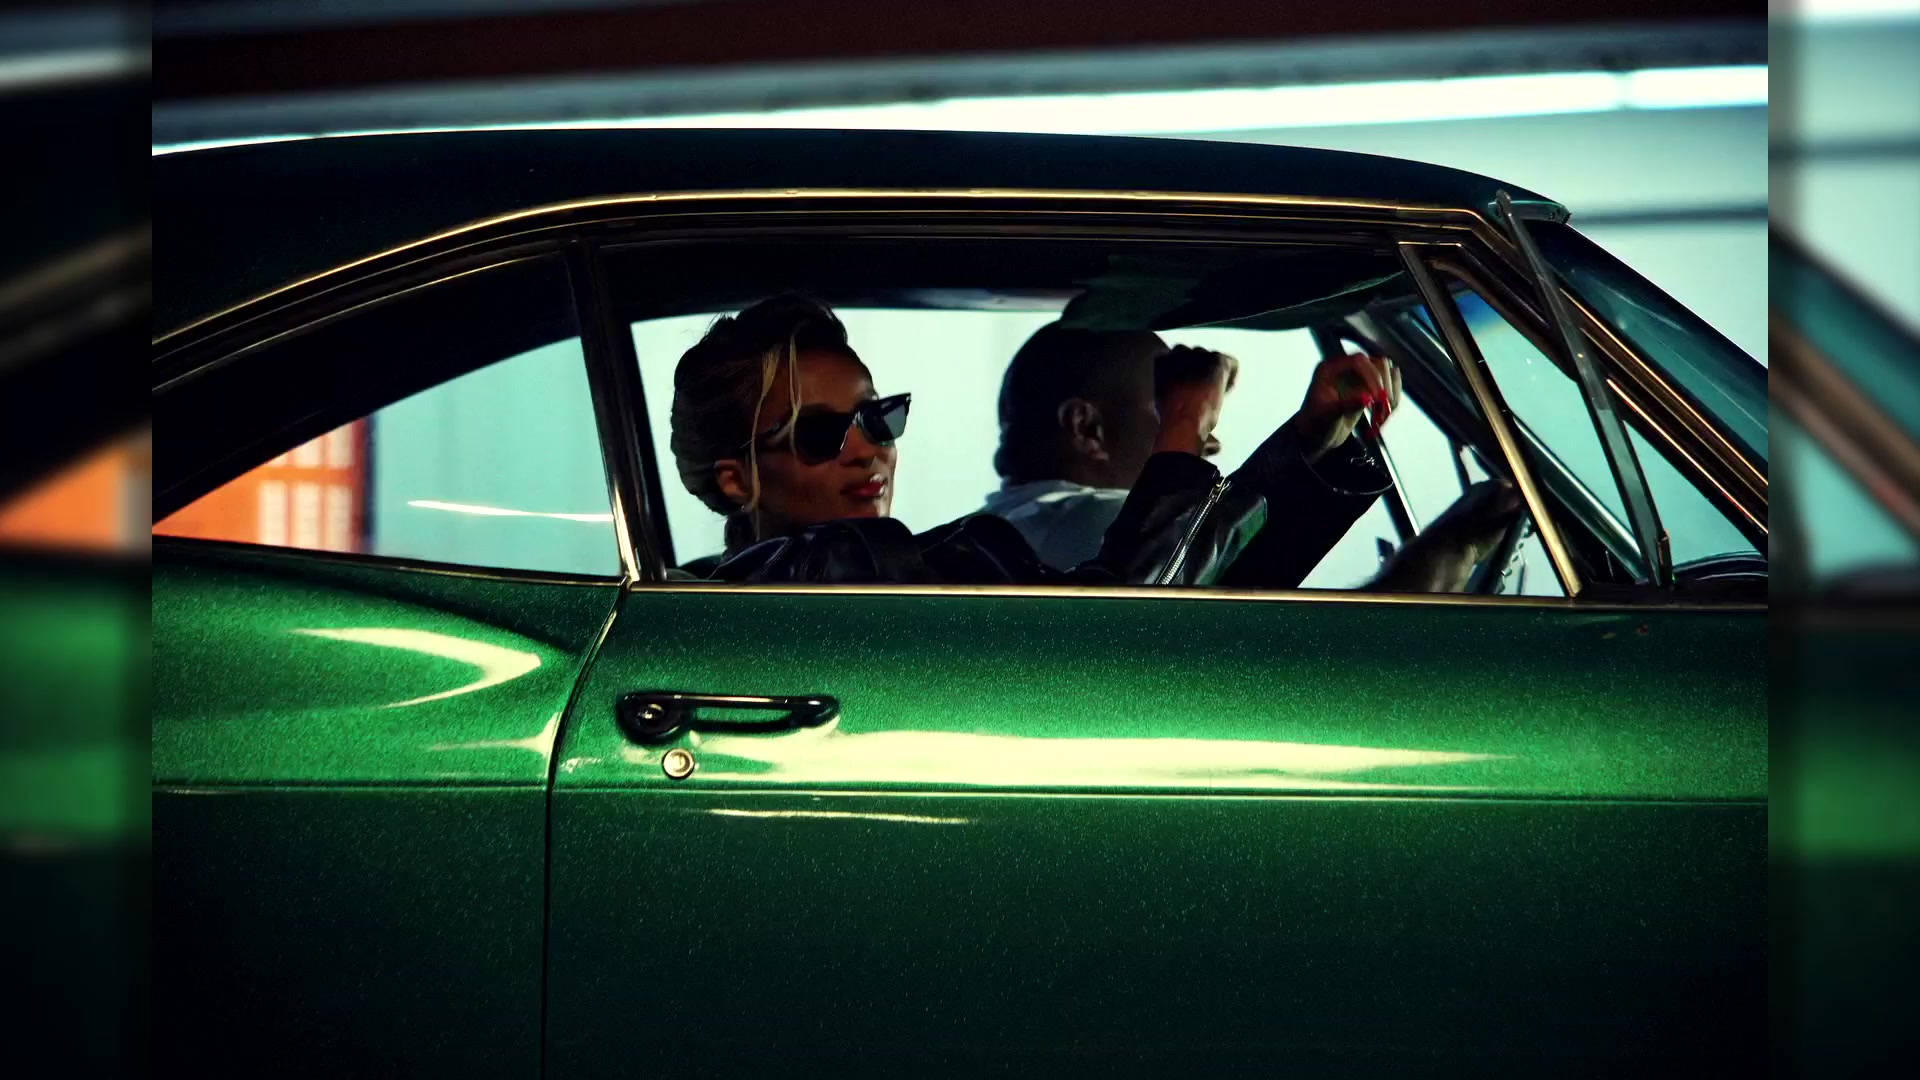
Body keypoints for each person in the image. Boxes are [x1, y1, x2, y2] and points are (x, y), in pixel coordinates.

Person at [668, 295, 1517, 588]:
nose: (871, 450)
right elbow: (1133, 626)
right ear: (736, 480)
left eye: (879, 416)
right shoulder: (833, 572)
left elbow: (1177, 588)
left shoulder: (850, 570)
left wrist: (1312, 437)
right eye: (824, 432)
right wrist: (1184, 425)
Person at [980, 322, 1409, 589]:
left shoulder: (1009, 533)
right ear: (1085, 427)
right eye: (1165, 406)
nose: (1211, 443)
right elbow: (1173, 589)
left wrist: (1312, 438)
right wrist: (1188, 421)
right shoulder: (1093, 524)